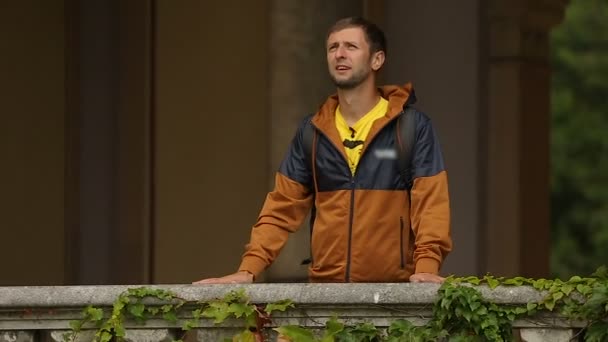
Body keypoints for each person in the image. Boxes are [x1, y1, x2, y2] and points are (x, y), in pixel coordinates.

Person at [194, 17, 451, 285]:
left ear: (377, 60)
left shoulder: (410, 127)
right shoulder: (313, 131)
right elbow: (281, 208)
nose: (339, 53)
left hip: (393, 292)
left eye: (351, 46)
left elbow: (431, 205)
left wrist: (427, 269)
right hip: (326, 294)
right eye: (332, 47)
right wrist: (248, 270)